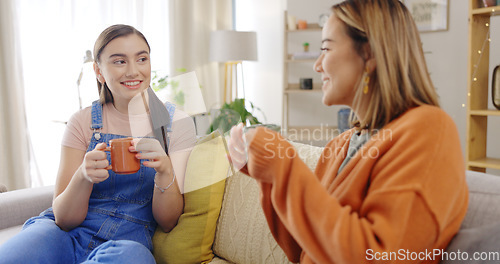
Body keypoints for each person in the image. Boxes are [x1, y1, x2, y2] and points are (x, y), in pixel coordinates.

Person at [227, 0, 468, 263]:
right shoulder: (339, 146)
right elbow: (303, 249)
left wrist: (283, 162)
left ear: (370, 54)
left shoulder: (428, 129)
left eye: (326, 48)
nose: (317, 65)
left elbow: (379, 256)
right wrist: (268, 176)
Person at [0, 24, 196, 263]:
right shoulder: (82, 122)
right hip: (63, 235)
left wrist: (164, 170)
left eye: (142, 59)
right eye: (119, 61)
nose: (133, 71)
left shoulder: (175, 123)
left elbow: (168, 222)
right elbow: (64, 219)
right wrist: (83, 175)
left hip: (126, 244)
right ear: (99, 71)